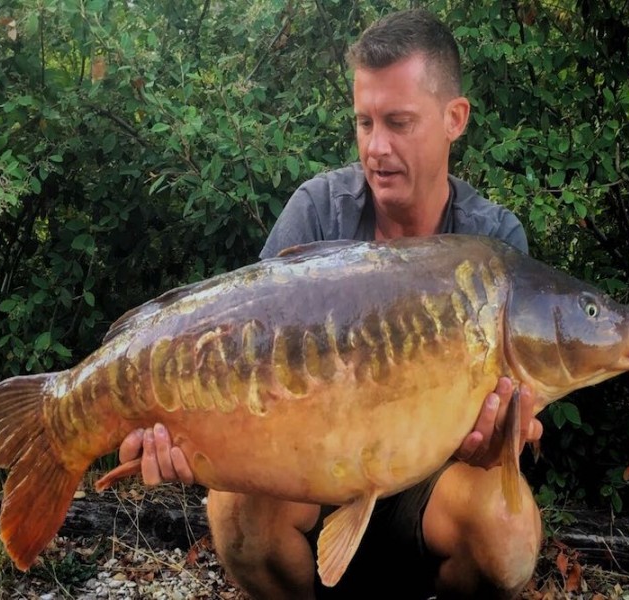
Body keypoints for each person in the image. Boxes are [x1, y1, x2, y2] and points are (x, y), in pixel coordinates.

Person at [119, 9, 544, 599]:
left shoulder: (494, 249)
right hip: (308, 474)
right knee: (236, 510)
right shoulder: (318, 212)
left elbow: (497, 439)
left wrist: (499, 438)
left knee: (509, 538)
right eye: (364, 122)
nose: (376, 147)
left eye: (398, 122)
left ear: (454, 119)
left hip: (430, 488)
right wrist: (186, 431)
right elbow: (246, 361)